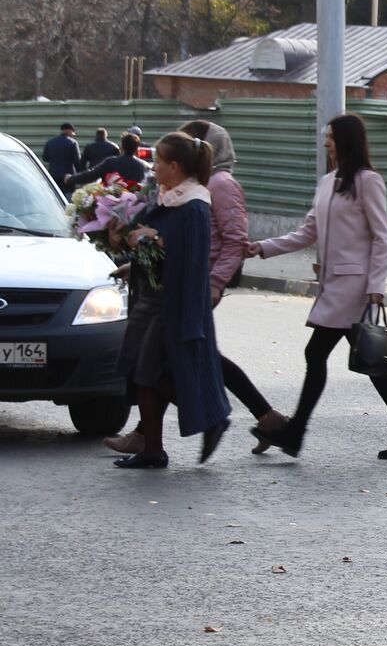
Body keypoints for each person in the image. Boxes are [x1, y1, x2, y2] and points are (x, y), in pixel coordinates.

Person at [247, 113, 387, 459]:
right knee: (371, 361)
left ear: (346, 140)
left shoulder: (368, 181)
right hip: (334, 285)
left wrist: (376, 285)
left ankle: (296, 431)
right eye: (325, 135)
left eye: (330, 136)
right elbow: (308, 232)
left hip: (355, 286)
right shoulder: (328, 181)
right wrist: (263, 247)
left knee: (317, 353)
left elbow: (381, 236)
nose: (325, 141)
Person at [104, 121, 289, 457]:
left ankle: (230, 420)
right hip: (173, 282)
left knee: (185, 360)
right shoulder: (174, 191)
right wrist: (139, 257)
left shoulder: (213, 187)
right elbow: (163, 237)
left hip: (193, 284)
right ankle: (152, 438)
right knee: (171, 362)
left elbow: (232, 241)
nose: (156, 165)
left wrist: (215, 282)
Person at [111, 132, 231, 468]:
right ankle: (152, 449)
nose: (153, 167)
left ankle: (207, 420)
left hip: (173, 304)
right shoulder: (168, 198)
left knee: (151, 375)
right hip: (151, 299)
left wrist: (157, 239)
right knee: (141, 374)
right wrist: (127, 244)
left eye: (158, 162)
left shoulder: (194, 205)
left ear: (174, 166)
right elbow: (149, 240)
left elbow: (191, 259)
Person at [66, 132, 149, 188]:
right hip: (136, 208)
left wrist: (71, 179)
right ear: (137, 149)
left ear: (122, 147)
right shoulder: (143, 166)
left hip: (110, 206)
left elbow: (91, 174)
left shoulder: (111, 162)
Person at [42, 122, 82, 188]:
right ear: (69, 131)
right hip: (68, 176)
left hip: (53, 174)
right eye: (72, 132)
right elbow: (77, 160)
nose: (73, 135)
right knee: (68, 196)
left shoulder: (50, 142)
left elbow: (45, 158)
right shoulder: (73, 142)